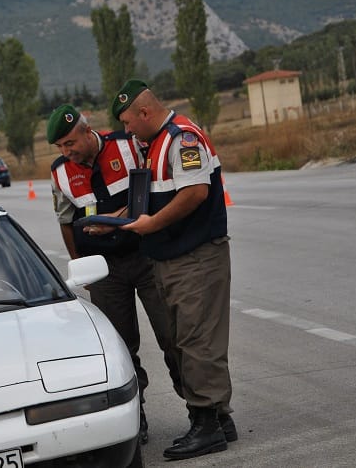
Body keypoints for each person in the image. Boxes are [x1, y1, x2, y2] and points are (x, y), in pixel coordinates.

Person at [110, 80, 237, 460]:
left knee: (197, 341)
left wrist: (152, 226)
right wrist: (116, 220)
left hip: (195, 256)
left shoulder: (182, 138)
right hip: (171, 258)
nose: (127, 131)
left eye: (129, 123)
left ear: (145, 113)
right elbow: (149, 198)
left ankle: (207, 425)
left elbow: (195, 193)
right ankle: (218, 418)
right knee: (186, 340)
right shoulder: (152, 145)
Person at [47, 103, 184, 445]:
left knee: (174, 335)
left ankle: (204, 410)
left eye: (70, 143)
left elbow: (156, 190)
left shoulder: (128, 145)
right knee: (121, 349)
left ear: (86, 128)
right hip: (103, 270)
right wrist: (81, 267)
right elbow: (65, 221)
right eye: (60, 147)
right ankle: (136, 419)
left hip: (146, 257)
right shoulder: (60, 172)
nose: (67, 152)